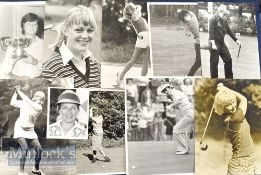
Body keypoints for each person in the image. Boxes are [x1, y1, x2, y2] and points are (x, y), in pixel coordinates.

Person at [42, 5, 100, 88]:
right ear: (66, 31)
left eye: (90, 30)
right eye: (78, 30)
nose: (85, 36)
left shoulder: (95, 65)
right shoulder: (51, 67)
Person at [214, 83, 256, 175]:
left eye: (233, 101)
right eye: (228, 105)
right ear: (222, 108)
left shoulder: (233, 116)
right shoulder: (235, 119)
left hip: (249, 160)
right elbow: (243, 99)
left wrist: (226, 91)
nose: (233, 106)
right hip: (239, 164)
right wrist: (226, 88)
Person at [10, 85, 45, 175]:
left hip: (30, 130)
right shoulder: (25, 103)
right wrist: (15, 93)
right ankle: (21, 172)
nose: (37, 98)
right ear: (34, 96)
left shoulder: (38, 107)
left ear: (42, 100)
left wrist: (19, 91)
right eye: (36, 96)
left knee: (39, 150)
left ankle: (36, 169)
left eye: (40, 97)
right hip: (19, 128)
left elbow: (27, 100)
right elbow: (13, 103)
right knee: (25, 149)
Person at [116, 3, 150, 86]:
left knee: (146, 61)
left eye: (131, 8)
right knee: (133, 60)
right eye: (129, 9)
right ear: (128, 12)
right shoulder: (133, 17)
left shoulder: (139, 16)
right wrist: (136, 8)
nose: (132, 9)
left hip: (147, 37)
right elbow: (139, 8)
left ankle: (143, 80)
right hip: (142, 38)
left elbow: (139, 10)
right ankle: (120, 76)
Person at [1, 13, 43, 78]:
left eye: (35, 24)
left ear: (38, 26)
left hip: (37, 81)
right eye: (28, 24)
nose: (32, 27)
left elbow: (49, 69)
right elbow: (4, 70)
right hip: (16, 80)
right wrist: (10, 61)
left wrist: (35, 62)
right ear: (23, 25)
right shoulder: (14, 42)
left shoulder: (43, 44)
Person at [158, 83, 194, 155]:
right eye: (164, 91)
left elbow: (178, 102)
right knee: (180, 130)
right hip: (188, 113)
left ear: (168, 88)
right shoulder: (176, 93)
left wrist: (170, 106)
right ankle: (185, 147)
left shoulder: (175, 92)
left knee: (176, 129)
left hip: (188, 114)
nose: (165, 92)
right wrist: (170, 103)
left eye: (165, 90)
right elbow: (178, 102)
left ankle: (183, 149)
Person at [209, 5, 241, 78]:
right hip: (214, 43)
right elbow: (210, 32)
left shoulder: (224, 20)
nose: (226, 14)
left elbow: (229, 31)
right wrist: (213, 44)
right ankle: (214, 81)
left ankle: (229, 79)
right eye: (225, 12)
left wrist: (236, 40)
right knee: (214, 63)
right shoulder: (213, 19)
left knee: (228, 59)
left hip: (222, 43)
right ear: (222, 11)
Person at [178, 10, 201, 76]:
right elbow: (186, 31)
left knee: (198, 61)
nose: (187, 18)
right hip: (198, 43)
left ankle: (191, 74)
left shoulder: (193, 15)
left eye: (187, 15)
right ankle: (190, 74)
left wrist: (181, 11)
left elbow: (187, 12)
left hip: (201, 41)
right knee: (198, 61)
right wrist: (187, 33)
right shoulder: (186, 24)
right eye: (185, 18)